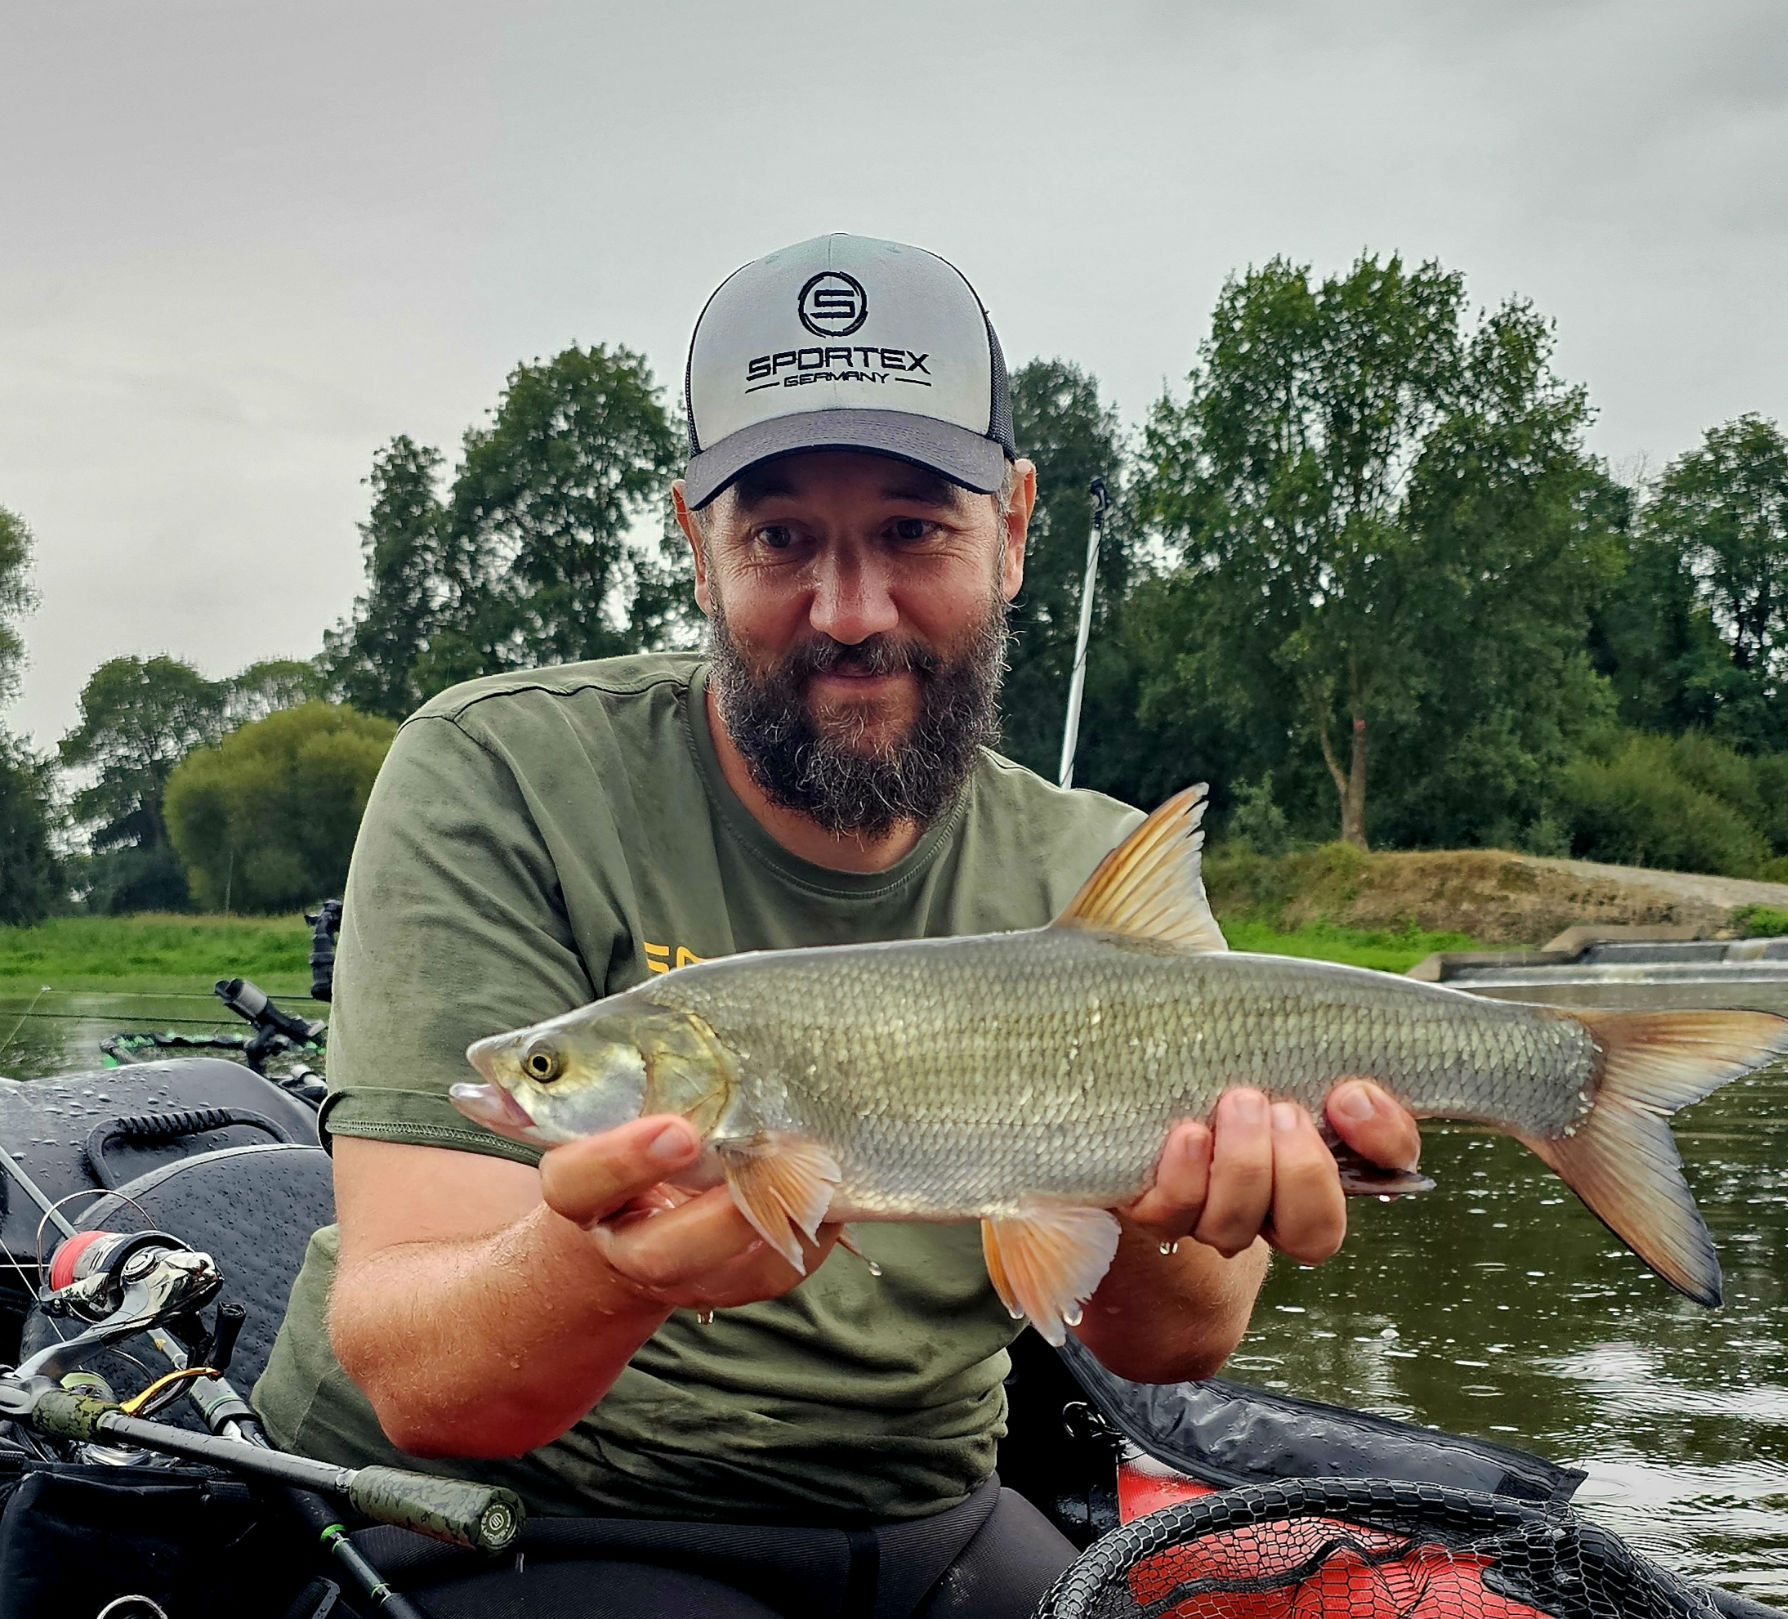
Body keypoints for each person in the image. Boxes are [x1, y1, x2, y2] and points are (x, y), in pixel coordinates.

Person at [253, 234, 1423, 1617]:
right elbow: (423, 1384)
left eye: (916, 530)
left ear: (1016, 530)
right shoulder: (500, 773)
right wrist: (607, 1271)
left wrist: (1173, 1210)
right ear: (696, 546)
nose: (851, 611)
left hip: (924, 1514)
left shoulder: (1095, 864)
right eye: (782, 538)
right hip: (509, 1521)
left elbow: (1179, 1343)